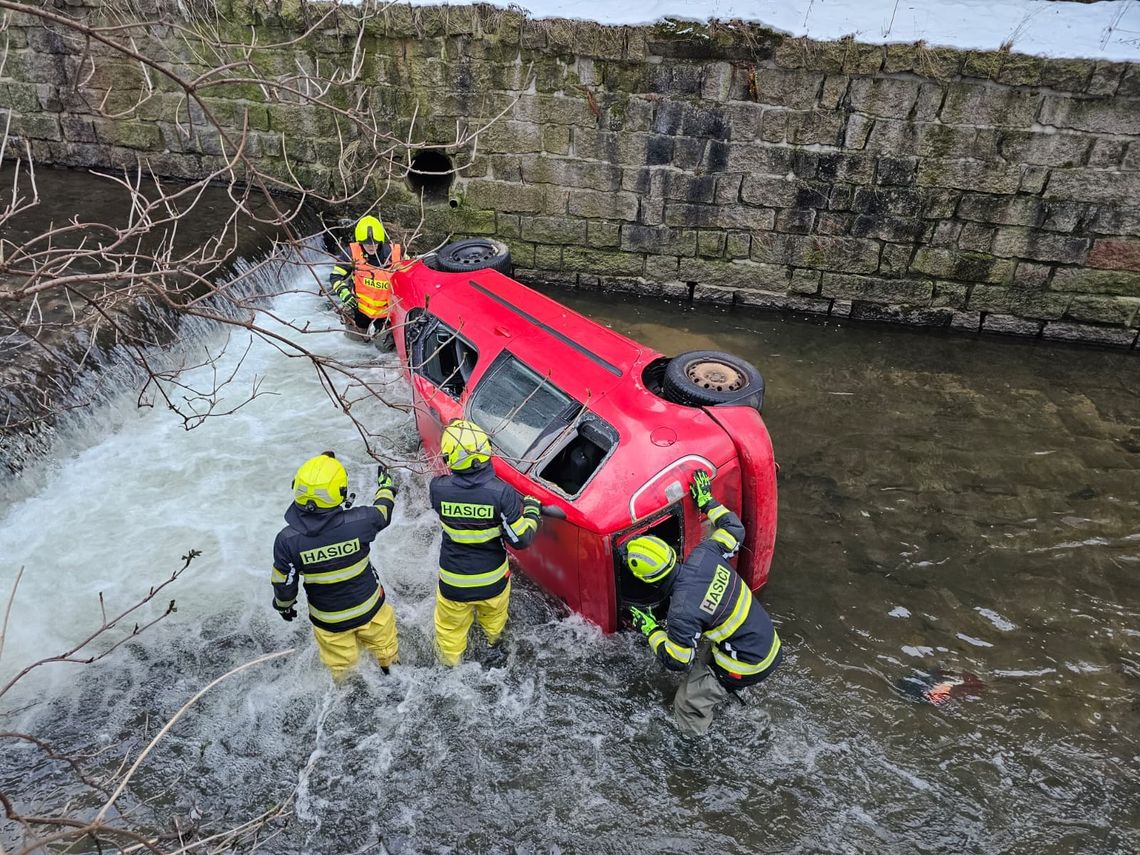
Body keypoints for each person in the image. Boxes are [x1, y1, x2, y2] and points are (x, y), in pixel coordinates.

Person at [627, 469, 782, 736]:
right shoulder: (705, 554)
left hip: (747, 663)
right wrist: (707, 502)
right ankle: (726, 692)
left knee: (686, 703)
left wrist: (650, 630)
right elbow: (734, 529)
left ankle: (693, 754)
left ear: (650, 582)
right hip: (767, 640)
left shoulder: (681, 613)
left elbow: (678, 659)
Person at [272, 451, 400, 680]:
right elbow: (384, 511)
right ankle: (392, 672)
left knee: (343, 668)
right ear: (341, 493)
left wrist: (284, 606)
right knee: (385, 649)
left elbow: (284, 582)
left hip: (329, 621)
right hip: (371, 608)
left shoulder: (287, 540)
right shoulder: (361, 521)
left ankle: (347, 690)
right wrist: (386, 487)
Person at [429, 419, 542, 666]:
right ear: (486, 449)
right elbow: (520, 539)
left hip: (453, 584)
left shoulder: (437, 489)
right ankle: (493, 648)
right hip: (493, 582)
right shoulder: (502, 493)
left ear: (449, 459)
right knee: (494, 624)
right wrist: (532, 512)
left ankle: (450, 667)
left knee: (449, 633)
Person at [329, 215, 402, 343]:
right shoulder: (351, 253)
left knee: (384, 349)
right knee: (355, 343)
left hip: (386, 314)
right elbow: (335, 277)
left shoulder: (395, 254)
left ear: (380, 240)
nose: (370, 246)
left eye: (374, 242)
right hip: (359, 309)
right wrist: (345, 294)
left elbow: (411, 275)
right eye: (366, 243)